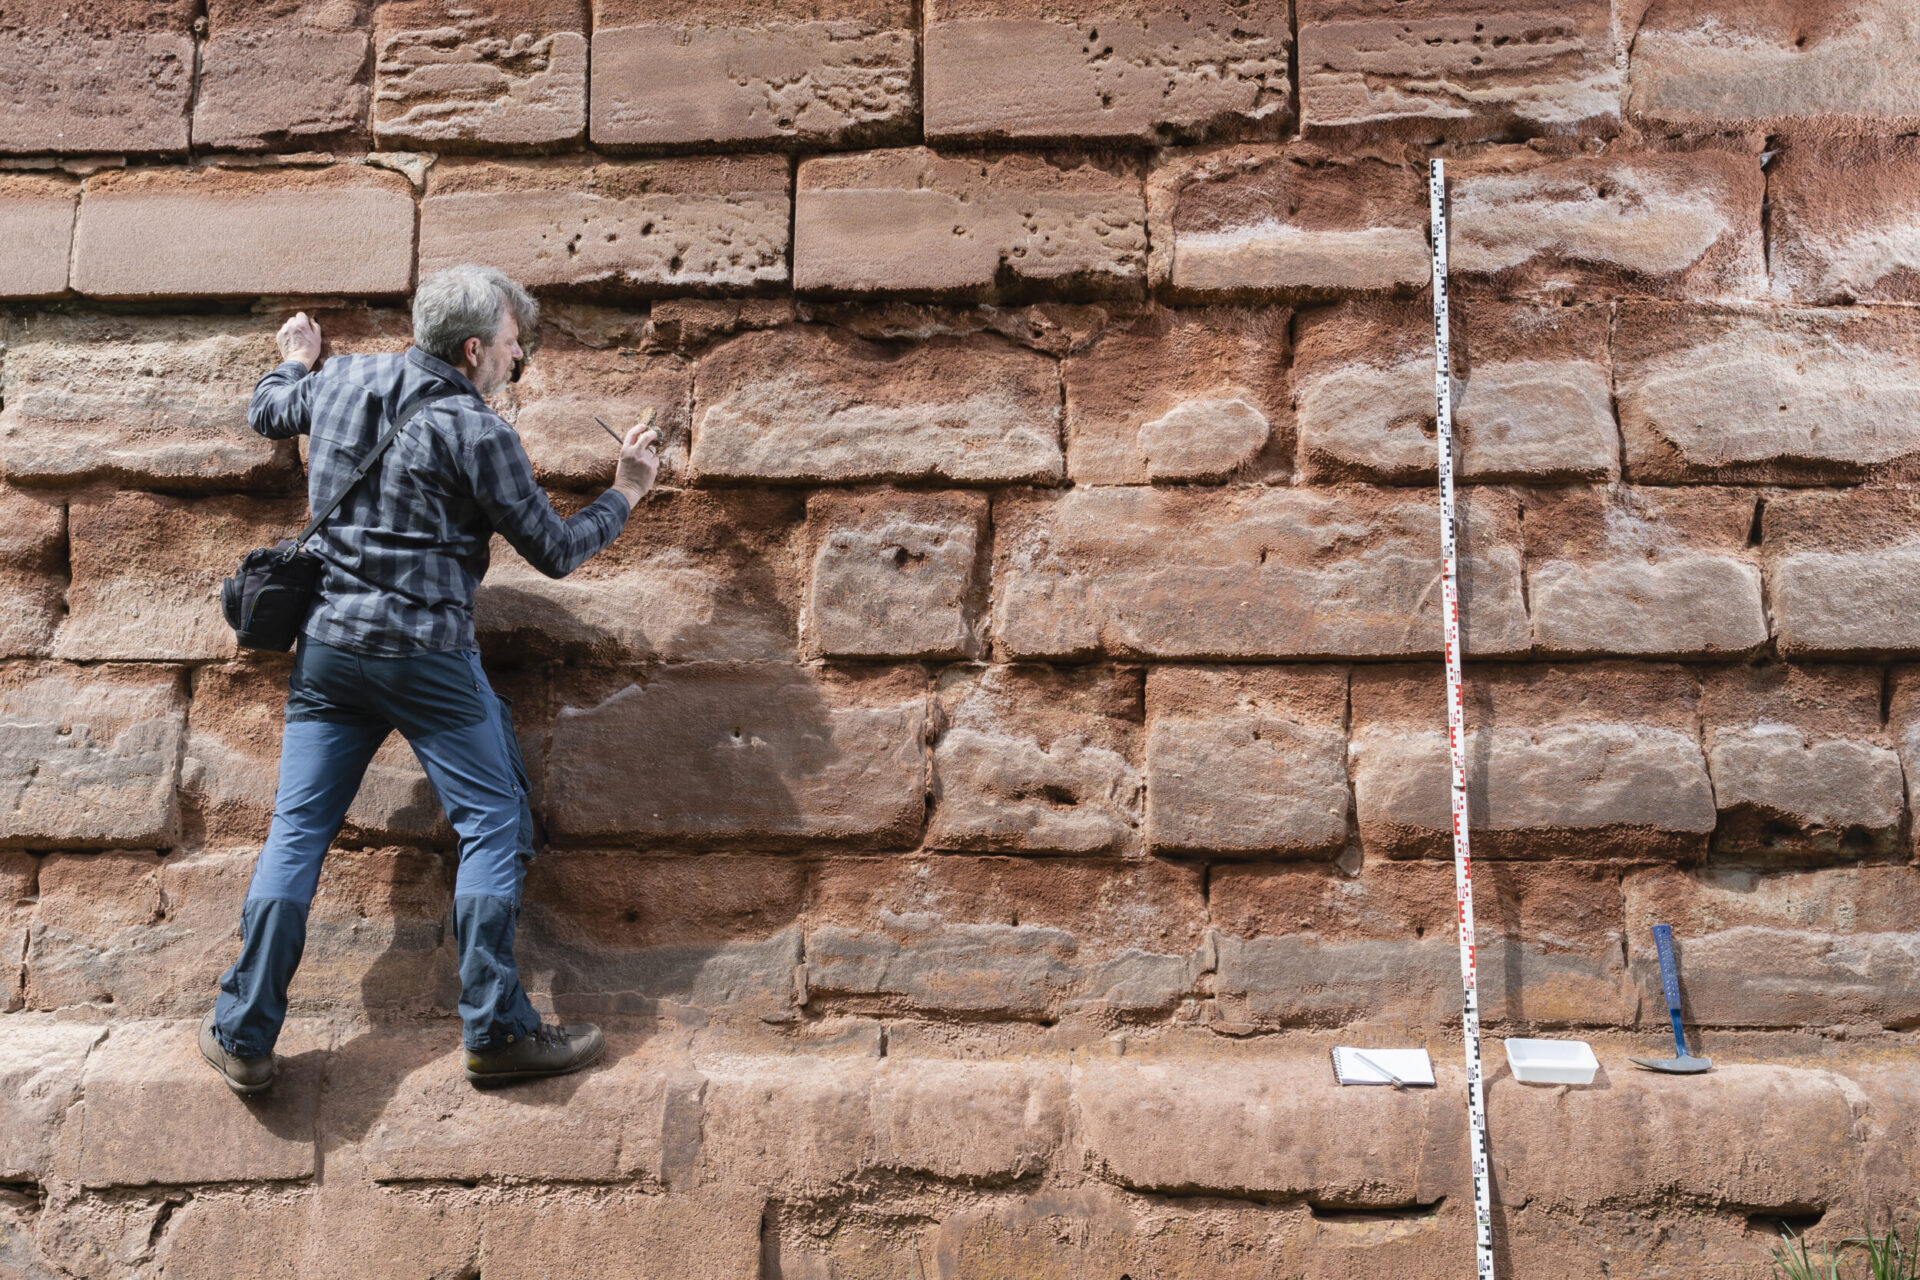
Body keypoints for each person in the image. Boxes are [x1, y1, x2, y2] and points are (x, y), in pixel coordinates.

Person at [199, 264, 660, 1093]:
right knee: (492, 821)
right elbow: (555, 552)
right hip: (427, 658)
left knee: (297, 833)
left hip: (329, 653)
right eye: (513, 348)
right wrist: (625, 492)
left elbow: (266, 409)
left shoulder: (339, 378)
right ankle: (495, 1031)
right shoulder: (477, 433)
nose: (517, 363)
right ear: (476, 348)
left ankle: (241, 1032)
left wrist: (298, 358)